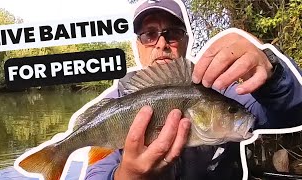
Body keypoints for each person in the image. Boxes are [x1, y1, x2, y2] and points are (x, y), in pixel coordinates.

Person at [85, 0, 302, 179]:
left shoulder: (217, 89)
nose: (161, 44)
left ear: (186, 41)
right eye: (149, 35)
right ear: (138, 45)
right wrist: (125, 176)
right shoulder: (118, 102)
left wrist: (272, 76)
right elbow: (95, 173)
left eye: (172, 34)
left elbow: (292, 112)